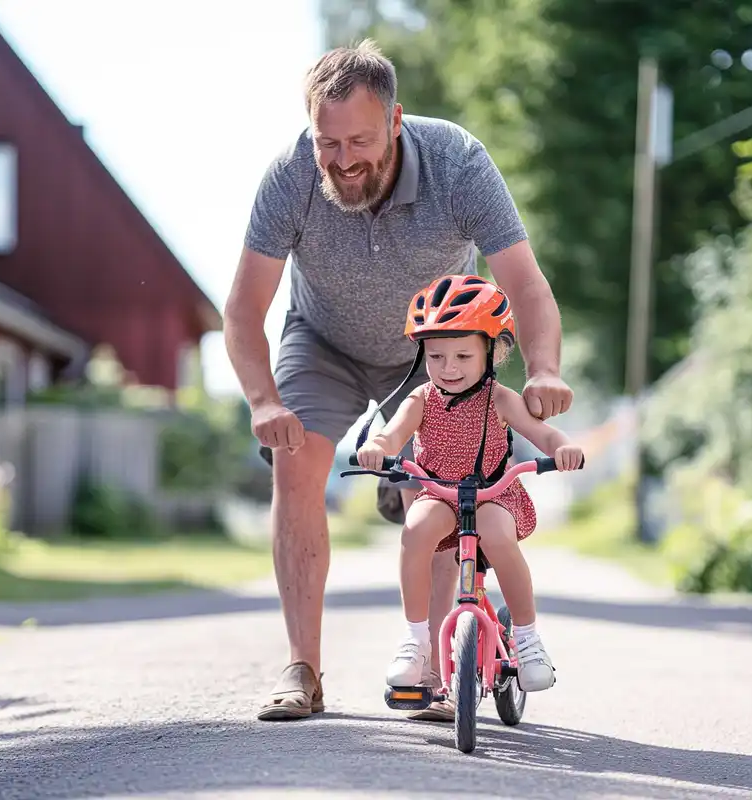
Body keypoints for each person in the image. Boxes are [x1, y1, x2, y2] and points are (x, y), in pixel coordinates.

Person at [223, 38, 573, 723]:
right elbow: (241, 310)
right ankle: (302, 670)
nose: (343, 159)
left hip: (435, 352)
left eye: (360, 140)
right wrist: (263, 402)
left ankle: (438, 671)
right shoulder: (291, 176)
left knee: (437, 489)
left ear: (395, 120)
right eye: (328, 142)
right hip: (322, 342)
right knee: (296, 460)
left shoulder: (458, 163)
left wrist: (545, 370)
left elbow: (527, 285)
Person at [355, 274, 585, 693]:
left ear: (492, 352)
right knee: (415, 529)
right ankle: (417, 641)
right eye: (436, 356)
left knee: (496, 533)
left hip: (494, 493)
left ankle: (528, 640)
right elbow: (391, 434)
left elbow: (544, 435)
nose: (449, 367)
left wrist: (564, 448)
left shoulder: (499, 398)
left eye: (463, 355)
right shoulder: (421, 399)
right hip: (439, 492)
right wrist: (376, 447)